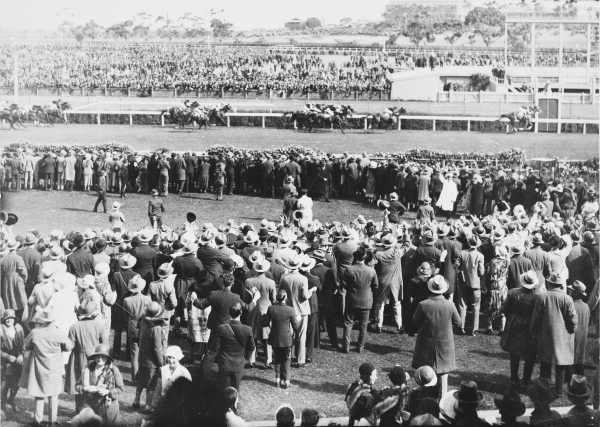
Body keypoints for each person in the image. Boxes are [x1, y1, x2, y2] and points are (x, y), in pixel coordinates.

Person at [20, 307, 72, 425]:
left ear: (41, 321)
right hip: (54, 366)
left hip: (38, 366)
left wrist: (34, 348)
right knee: (53, 395)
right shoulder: (58, 332)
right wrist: (59, 349)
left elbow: (25, 345)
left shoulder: (35, 332)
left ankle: (37, 420)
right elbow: (69, 346)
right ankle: (52, 421)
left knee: (39, 393)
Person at [412, 275, 461, 396]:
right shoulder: (450, 305)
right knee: (444, 374)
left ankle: (424, 399)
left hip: (425, 343)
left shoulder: (423, 304)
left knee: (425, 373)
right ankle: (442, 402)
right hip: (445, 343)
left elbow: (414, 322)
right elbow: (458, 322)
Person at [531, 270, 578, 396]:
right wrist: (572, 330)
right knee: (561, 364)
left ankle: (544, 388)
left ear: (550, 284)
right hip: (563, 336)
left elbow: (536, 317)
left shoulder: (542, 297)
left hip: (545, 335)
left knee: (545, 363)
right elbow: (573, 319)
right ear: (560, 285)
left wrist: (534, 331)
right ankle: (558, 391)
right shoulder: (567, 299)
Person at [65, 300, 107, 412]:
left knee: (79, 384)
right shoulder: (100, 325)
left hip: (79, 357)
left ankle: (79, 409)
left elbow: (69, 346)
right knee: (95, 382)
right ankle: (93, 409)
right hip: (96, 358)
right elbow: (105, 344)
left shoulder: (74, 327)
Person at [500, 271, 539, 388]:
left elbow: (504, 309)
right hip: (529, 326)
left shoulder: (513, 293)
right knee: (530, 354)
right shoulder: (537, 298)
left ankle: (514, 377)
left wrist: (510, 317)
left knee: (514, 352)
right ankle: (526, 379)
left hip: (515, 324)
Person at [208, 302, 255, 391]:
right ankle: (234, 403)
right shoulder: (248, 330)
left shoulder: (221, 328)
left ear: (229, 313)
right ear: (241, 312)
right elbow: (251, 347)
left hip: (224, 363)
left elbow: (216, 348)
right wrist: (246, 359)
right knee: (236, 389)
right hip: (239, 364)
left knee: (224, 390)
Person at [340, 246, 378, 353]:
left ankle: (346, 346)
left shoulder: (349, 269)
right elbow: (375, 286)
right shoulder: (371, 271)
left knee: (348, 323)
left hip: (352, 299)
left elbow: (344, 284)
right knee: (363, 325)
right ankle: (360, 346)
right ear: (364, 257)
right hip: (366, 301)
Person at [78, 344, 124, 426]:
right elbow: (78, 385)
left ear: (107, 358)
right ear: (94, 357)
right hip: (91, 405)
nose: (100, 359)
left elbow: (121, 388)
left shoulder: (113, 370)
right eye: (97, 356)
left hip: (108, 406)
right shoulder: (88, 369)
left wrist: (108, 391)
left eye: (103, 357)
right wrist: (85, 388)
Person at [264, 288, 299, 388]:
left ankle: (278, 379)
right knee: (286, 359)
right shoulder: (290, 310)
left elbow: (265, 322)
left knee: (277, 359)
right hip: (286, 339)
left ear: (276, 297)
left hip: (275, 337)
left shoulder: (271, 308)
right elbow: (296, 326)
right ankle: (287, 380)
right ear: (286, 297)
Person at [134, 301, 166, 411]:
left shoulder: (143, 320)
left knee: (141, 380)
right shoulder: (156, 329)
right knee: (151, 383)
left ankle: (136, 400)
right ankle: (148, 405)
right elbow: (157, 348)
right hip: (151, 361)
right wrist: (160, 362)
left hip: (142, 356)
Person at [279, 255, 310, 364]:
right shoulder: (303, 279)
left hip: (289, 309)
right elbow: (305, 296)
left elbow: (280, 293)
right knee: (301, 336)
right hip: (301, 310)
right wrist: (311, 291)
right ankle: (300, 359)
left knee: (290, 334)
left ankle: (289, 356)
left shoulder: (284, 278)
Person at [372, 233, 405, 334]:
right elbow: (406, 246)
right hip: (395, 282)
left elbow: (372, 261)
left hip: (383, 281)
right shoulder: (397, 253)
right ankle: (399, 326)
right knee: (396, 304)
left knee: (380, 304)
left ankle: (379, 325)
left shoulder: (378, 254)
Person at [123, 275, 151, 382]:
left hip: (133, 326)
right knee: (145, 352)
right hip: (145, 326)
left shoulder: (127, 300)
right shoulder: (147, 299)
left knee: (134, 353)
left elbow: (126, 315)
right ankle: (146, 376)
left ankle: (135, 377)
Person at [457, 235, 485, 335]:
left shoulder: (462, 253)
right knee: (476, 306)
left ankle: (461, 326)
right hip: (475, 284)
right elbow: (481, 272)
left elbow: (457, 266)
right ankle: (474, 329)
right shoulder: (480, 256)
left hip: (463, 282)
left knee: (462, 305)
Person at [0, 309, 24, 412]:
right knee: (4, 385)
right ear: (4, 319)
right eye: (7, 318)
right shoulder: (0, 329)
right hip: (4, 361)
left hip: (17, 361)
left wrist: (21, 355)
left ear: (14, 319)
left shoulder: (18, 329)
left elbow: (23, 345)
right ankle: (2, 407)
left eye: (11, 318)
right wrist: (8, 357)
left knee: (17, 384)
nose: (9, 320)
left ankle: (12, 399)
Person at [0, 239, 28, 322]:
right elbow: (23, 272)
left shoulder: (3, 260)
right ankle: (19, 321)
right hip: (16, 281)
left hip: (6, 282)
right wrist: (24, 280)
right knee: (20, 301)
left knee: (9, 300)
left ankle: (11, 318)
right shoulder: (18, 258)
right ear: (15, 248)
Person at [345, 362, 378, 427]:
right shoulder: (368, 392)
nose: (376, 377)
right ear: (366, 376)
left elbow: (348, 405)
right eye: (374, 375)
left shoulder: (352, 386)